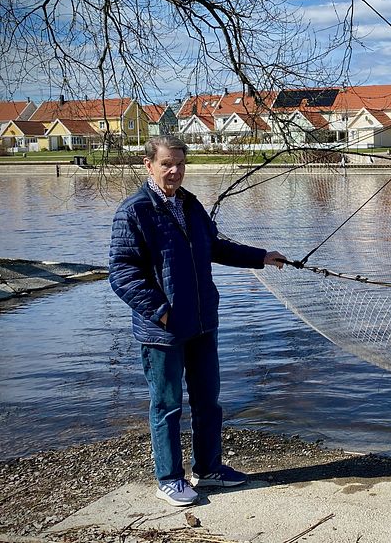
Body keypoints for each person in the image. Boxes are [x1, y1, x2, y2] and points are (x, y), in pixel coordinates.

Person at [109, 135, 285, 506]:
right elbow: (121, 273)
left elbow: (214, 246)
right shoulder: (134, 211)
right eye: (166, 164)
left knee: (208, 400)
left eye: (180, 164)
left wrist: (261, 256)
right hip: (163, 330)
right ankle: (169, 479)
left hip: (203, 322)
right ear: (148, 165)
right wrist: (161, 310)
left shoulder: (189, 204)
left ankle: (209, 470)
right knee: (167, 404)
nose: (174, 171)